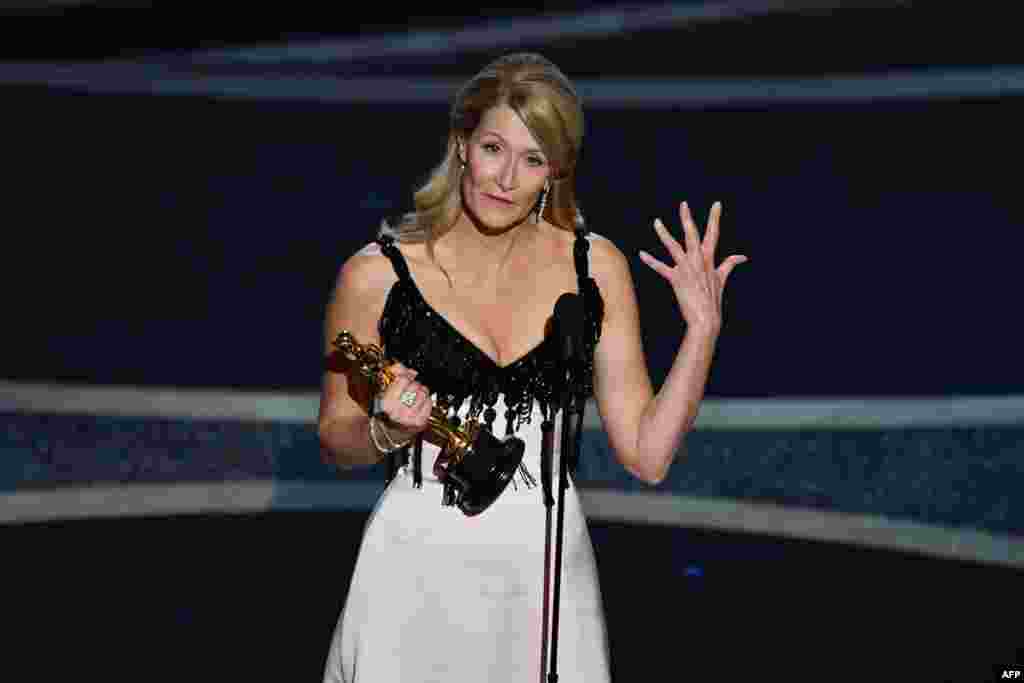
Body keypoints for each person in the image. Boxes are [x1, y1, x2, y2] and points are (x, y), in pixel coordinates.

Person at [318, 52, 747, 683]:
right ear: (462, 145)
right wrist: (386, 430)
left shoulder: (593, 269)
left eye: (533, 158)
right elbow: (335, 436)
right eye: (493, 147)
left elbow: (648, 455)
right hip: (412, 578)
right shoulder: (374, 276)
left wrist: (702, 332)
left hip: (544, 578)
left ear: (556, 172)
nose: (505, 177)